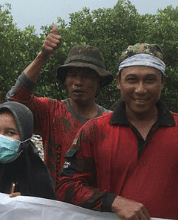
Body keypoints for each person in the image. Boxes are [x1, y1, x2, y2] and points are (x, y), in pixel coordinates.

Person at [56, 43, 178, 220]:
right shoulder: (95, 131)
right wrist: (113, 202)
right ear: (118, 82)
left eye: (149, 80)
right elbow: (67, 186)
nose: (140, 89)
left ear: (162, 81)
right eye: (132, 80)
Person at [7, 25, 112, 181]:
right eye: (72, 75)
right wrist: (42, 56)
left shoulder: (110, 122)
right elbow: (16, 99)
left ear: (99, 81)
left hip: (94, 203)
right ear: (65, 80)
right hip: (55, 203)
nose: (78, 82)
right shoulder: (51, 111)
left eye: (86, 76)